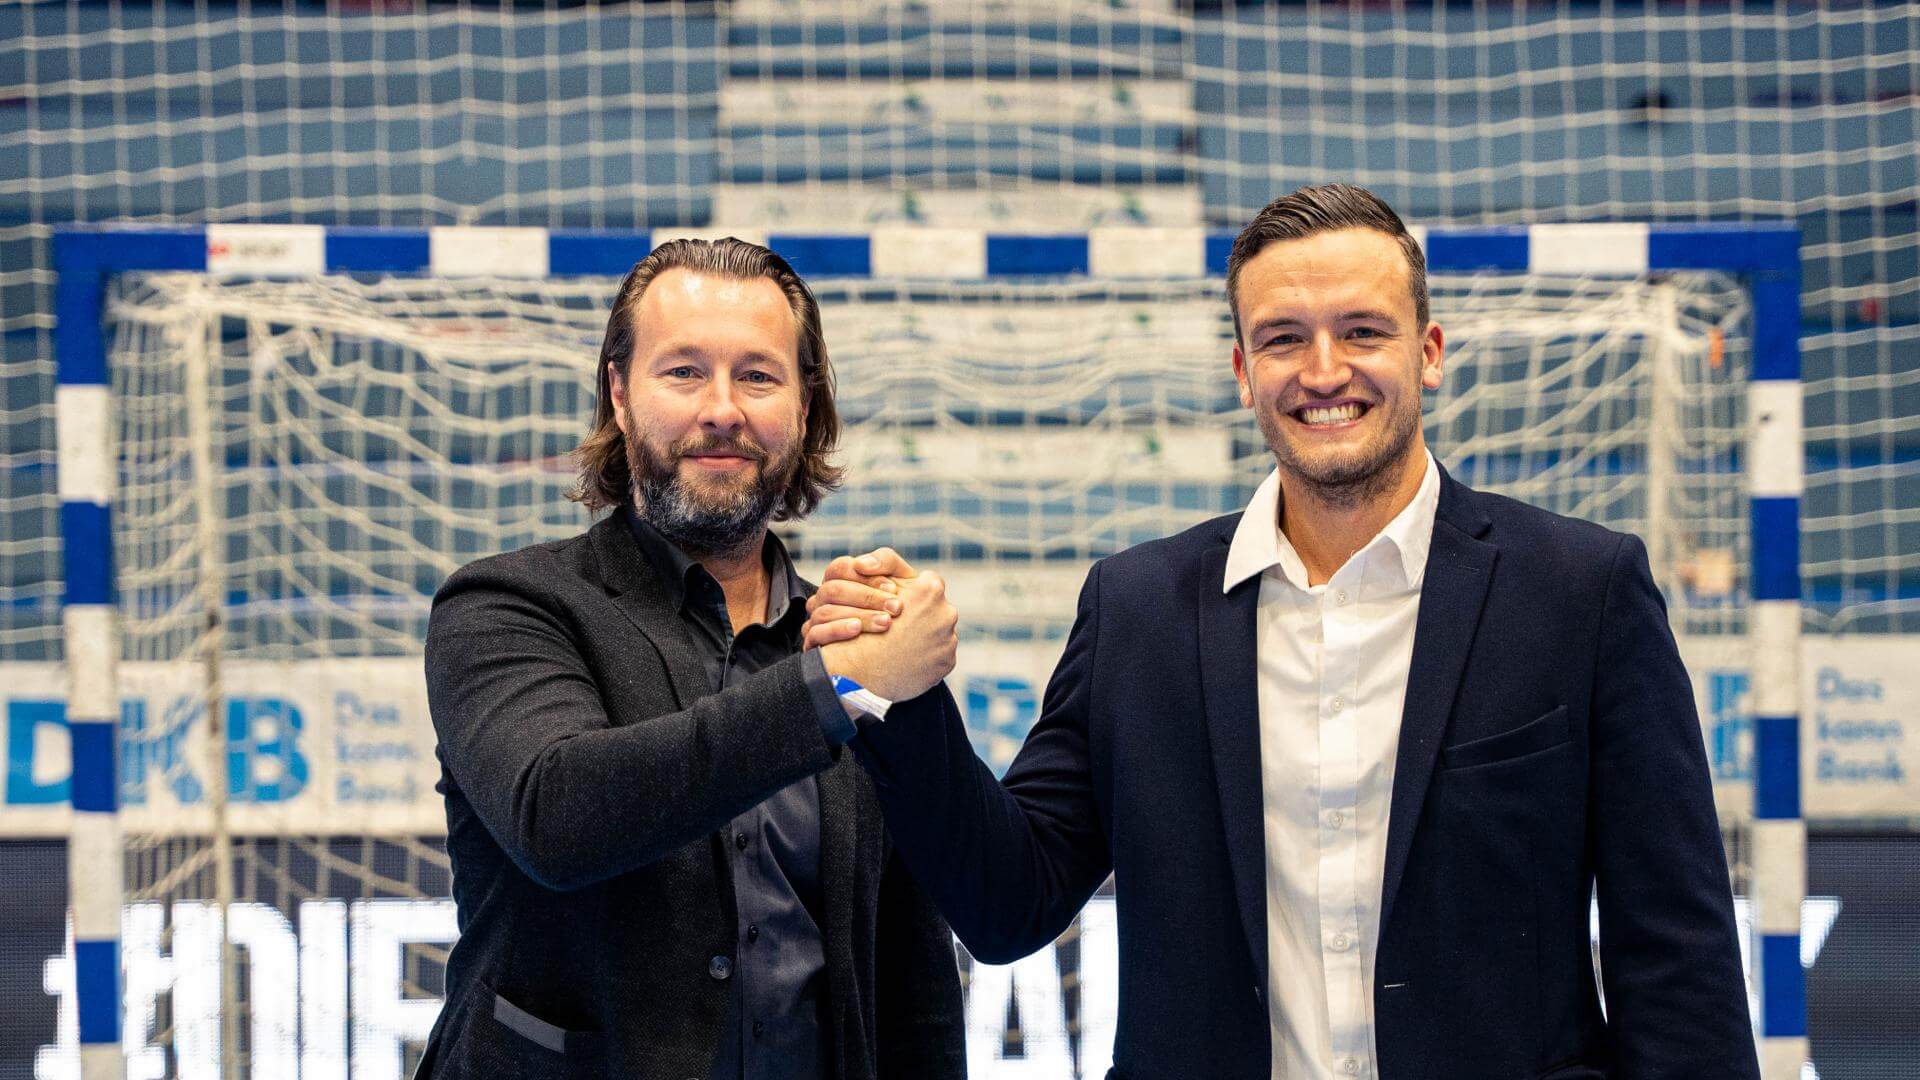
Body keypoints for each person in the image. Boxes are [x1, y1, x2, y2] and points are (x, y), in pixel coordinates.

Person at [807, 186, 1760, 1079]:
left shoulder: (1582, 592)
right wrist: (903, 699)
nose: (1324, 371)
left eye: (1362, 332)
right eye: (1283, 339)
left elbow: (1677, 958)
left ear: (1429, 352)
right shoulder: (1135, 609)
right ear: (1242, 371)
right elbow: (1008, 905)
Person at [417, 238, 965, 1080]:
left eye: (758, 376)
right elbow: (556, 817)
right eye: (683, 372)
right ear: (619, 394)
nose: (722, 409)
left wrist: (866, 675)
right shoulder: (504, 606)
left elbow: (911, 980)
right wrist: (842, 688)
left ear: (805, 406)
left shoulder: (852, 638)